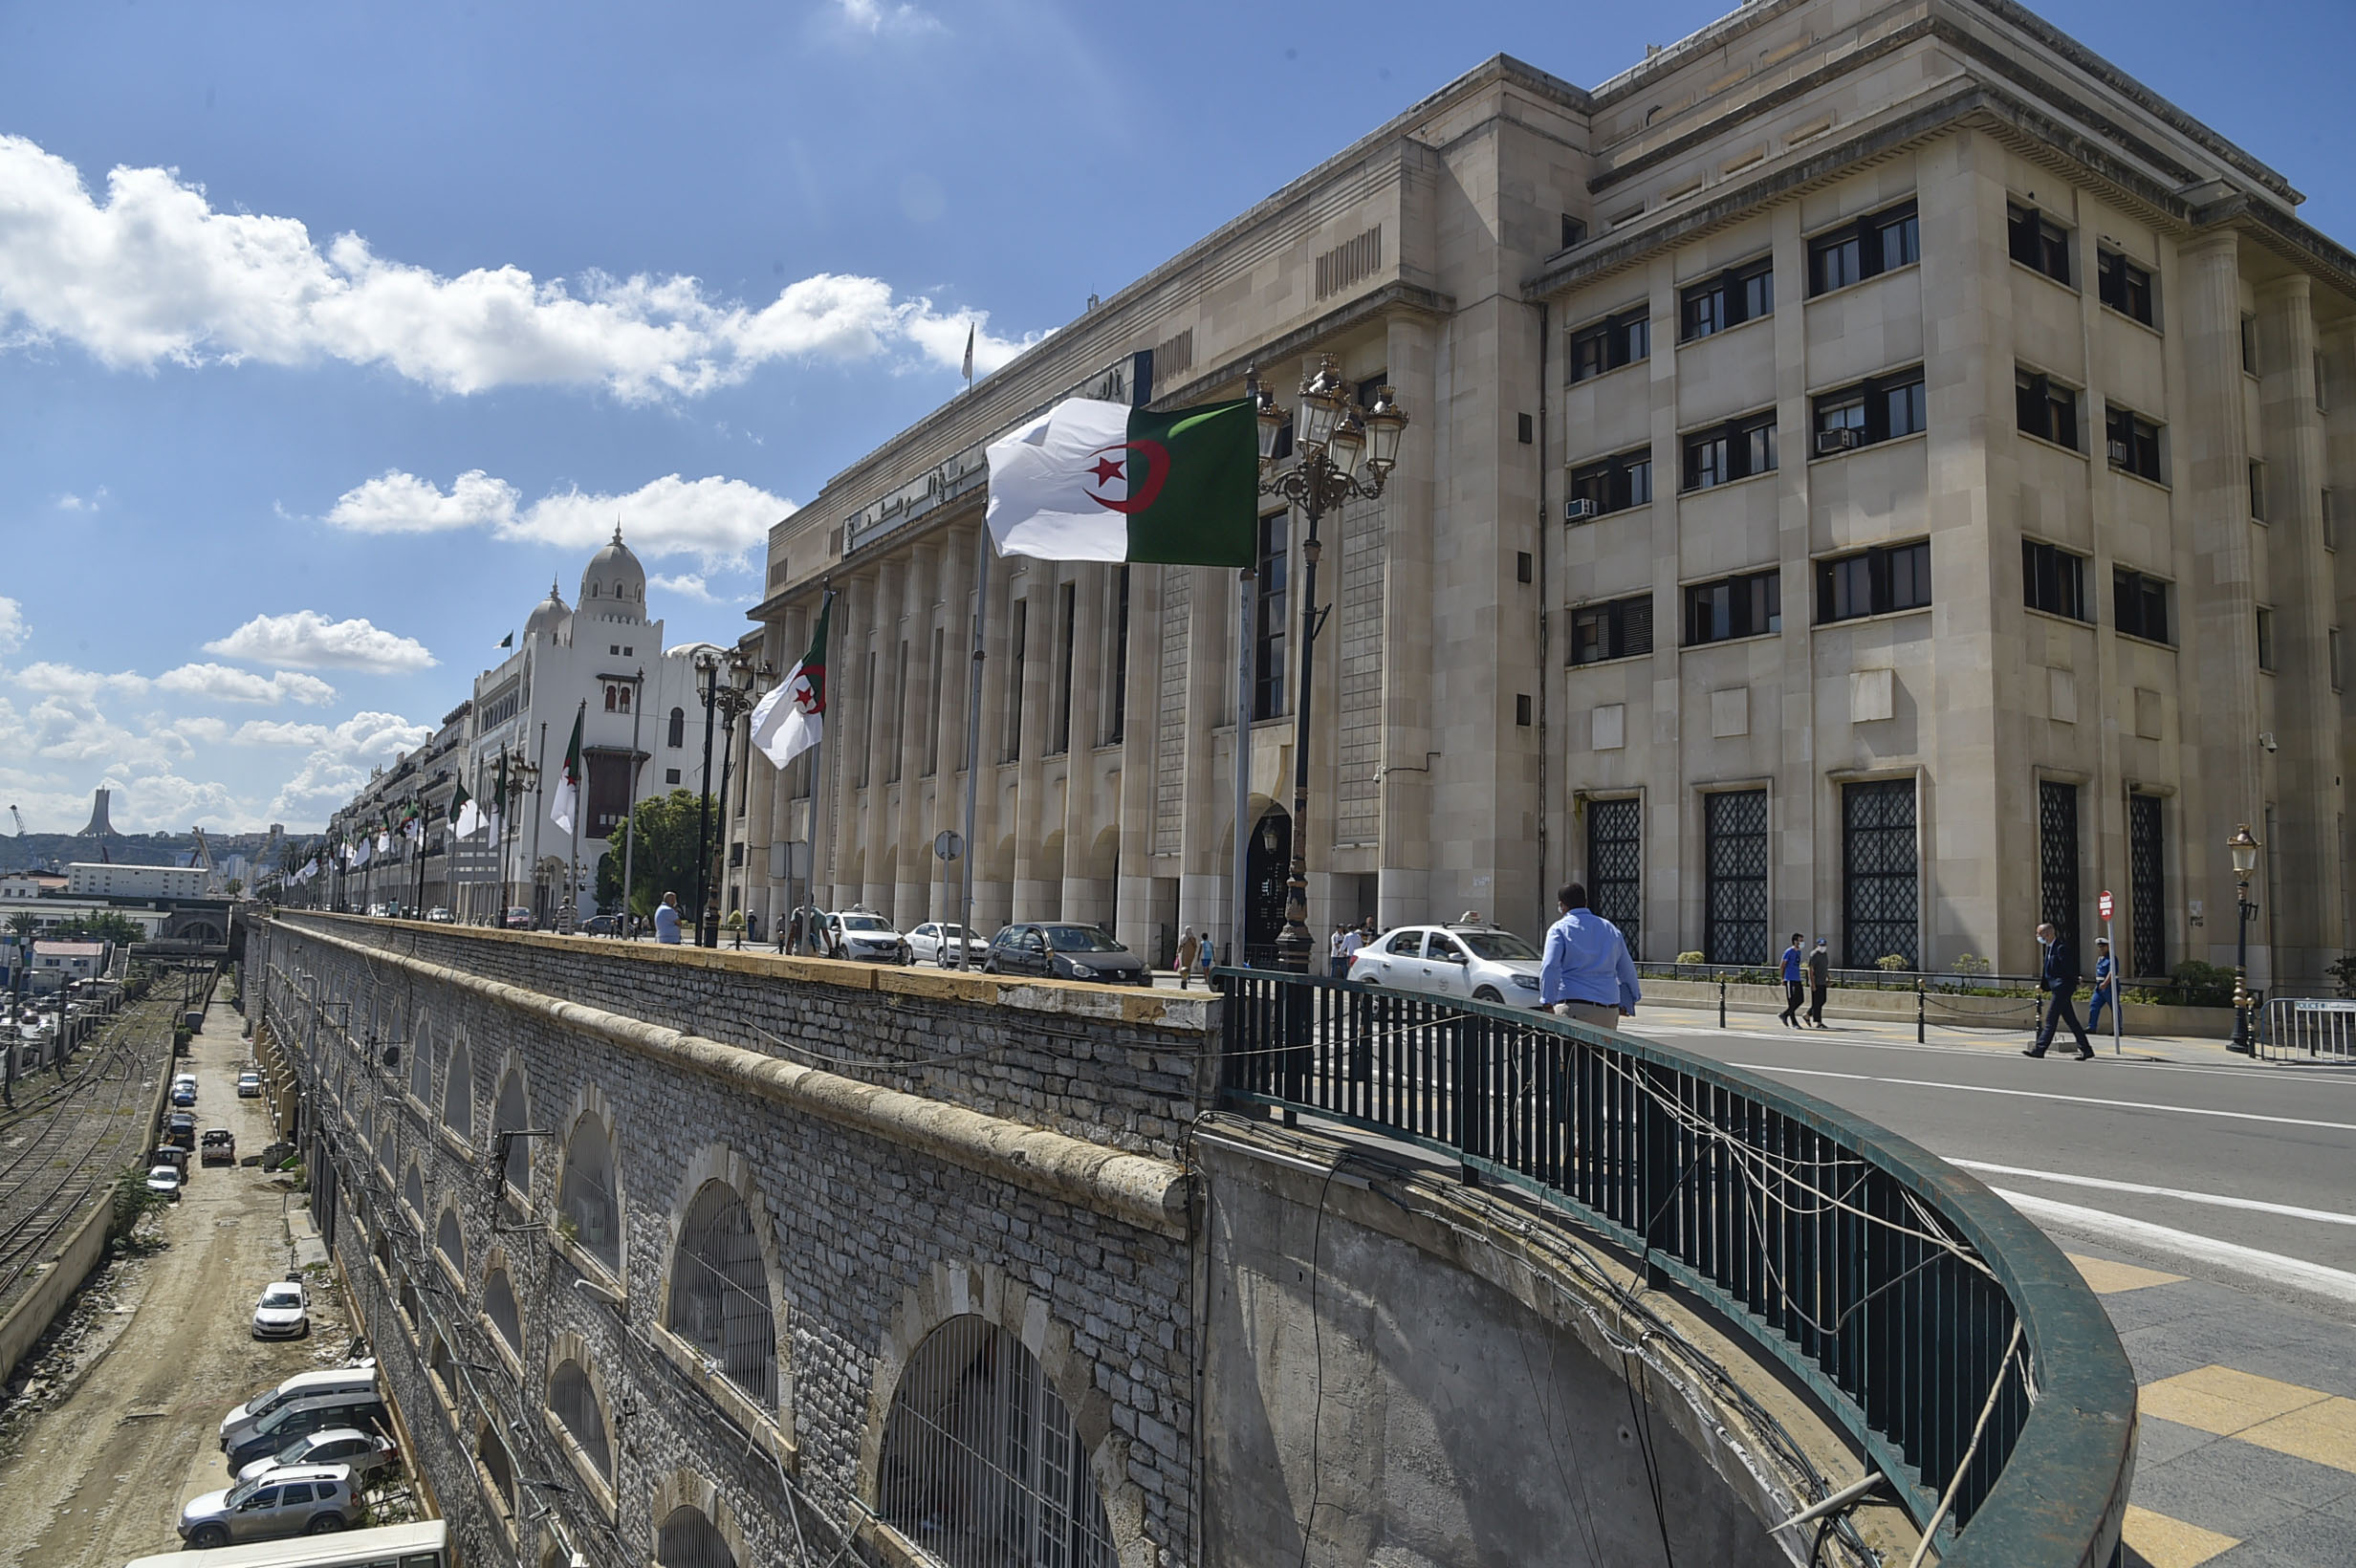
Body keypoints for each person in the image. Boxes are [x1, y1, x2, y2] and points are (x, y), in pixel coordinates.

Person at [1539, 882, 1641, 1031]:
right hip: (1608, 1008)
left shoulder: (1559, 929)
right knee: (1601, 1054)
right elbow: (1626, 969)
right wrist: (1632, 997)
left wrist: (1547, 1002)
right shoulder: (1610, 928)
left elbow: (1550, 966)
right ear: (1586, 902)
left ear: (1561, 905)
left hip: (1574, 1005)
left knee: (1570, 1054)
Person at [2025, 922, 2094, 1059]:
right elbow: (2048, 972)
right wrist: (2044, 987)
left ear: (2048, 934)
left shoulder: (2060, 948)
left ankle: (2040, 1049)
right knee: (2071, 1021)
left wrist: (2075, 978)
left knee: (2051, 1019)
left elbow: (2068, 967)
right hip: (2057, 988)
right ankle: (2086, 1049)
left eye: (2039, 933)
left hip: (2062, 988)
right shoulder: (2050, 948)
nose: (2037, 936)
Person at [2086, 937, 2117, 1039]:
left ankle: (2118, 1029)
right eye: (2100, 947)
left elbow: (2112, 972)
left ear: (2108, 947)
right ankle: (2092, 1027)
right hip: (2099, 986)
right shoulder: (2100, 959)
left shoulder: (2112, 958)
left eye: (2103, 947)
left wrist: (2105, 983)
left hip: (2109, 986)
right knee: (2094, 1005)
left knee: (2114, 1008)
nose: (2101, 949)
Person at [1779, 933, 1806, 1027]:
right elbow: (1782, 965)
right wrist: (1783, 978)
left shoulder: (1798, 952)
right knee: (1791, 1000)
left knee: (1800, 999)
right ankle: (1794, 1022)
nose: (1802, 942)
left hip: (1797, 978)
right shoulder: (1789, 951)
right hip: (1789, 978)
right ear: (1795, 941)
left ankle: (1785, 1014)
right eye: (1800, 940)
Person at [1805, 938, 1831, 1028]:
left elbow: (1825, 967)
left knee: (1822, 1000)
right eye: (1821, 945)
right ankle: (1818, 1022)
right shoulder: (1814, 955)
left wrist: (1828, 977)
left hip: (1822, 981)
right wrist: (1812, 983)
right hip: (1816, 981)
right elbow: (1811, 970)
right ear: (1817, 945)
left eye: (1824, 945)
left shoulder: (1825, 954)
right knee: (1817, 1002)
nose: (1823, 947)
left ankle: (1807, 1015)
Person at [1175, 926, 1200, 991]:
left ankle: (1186, 979)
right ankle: (1185, 979)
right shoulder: (1184, 937)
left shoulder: (1192, 938)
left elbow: (1195, 945)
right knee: (1186, 967)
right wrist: (1178, 951)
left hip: (1189, 954)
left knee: (1187, 967)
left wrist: (1190, 938)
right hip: (1186, 954)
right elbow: (1181, 945)